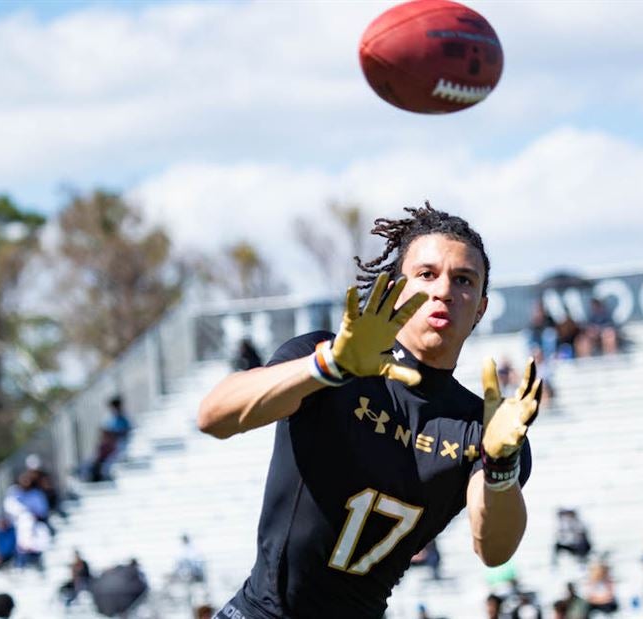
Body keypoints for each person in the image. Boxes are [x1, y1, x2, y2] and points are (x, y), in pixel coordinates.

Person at [197, 204, 541, 619]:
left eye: (463, 279)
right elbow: (213, 416)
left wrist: (500, 464)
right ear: (395, 289)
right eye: (427, 274)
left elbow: (495, 549)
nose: (444, 291)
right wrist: (328, 368)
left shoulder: (483, 428)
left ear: (481, 308)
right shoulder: (326, 358)